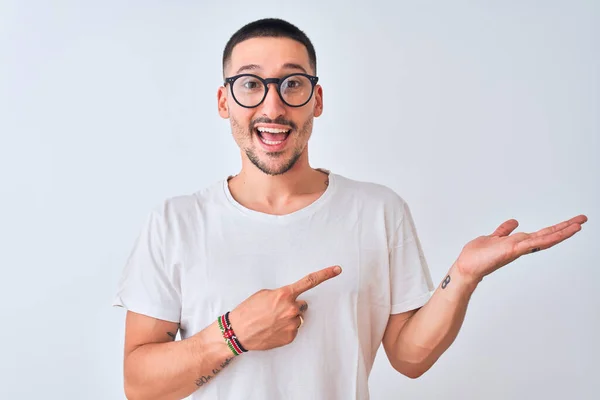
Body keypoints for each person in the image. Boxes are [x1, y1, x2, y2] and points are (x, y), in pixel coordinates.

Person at [112, 18, 587, 400]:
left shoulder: (377, 210)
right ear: (224, 101)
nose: (273, 106)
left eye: (292, 84)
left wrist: (461, 277)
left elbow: (409, 358)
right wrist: (235, 333)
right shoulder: (175, 222)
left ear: (316, 100)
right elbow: (139, 384)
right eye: (251, 84)